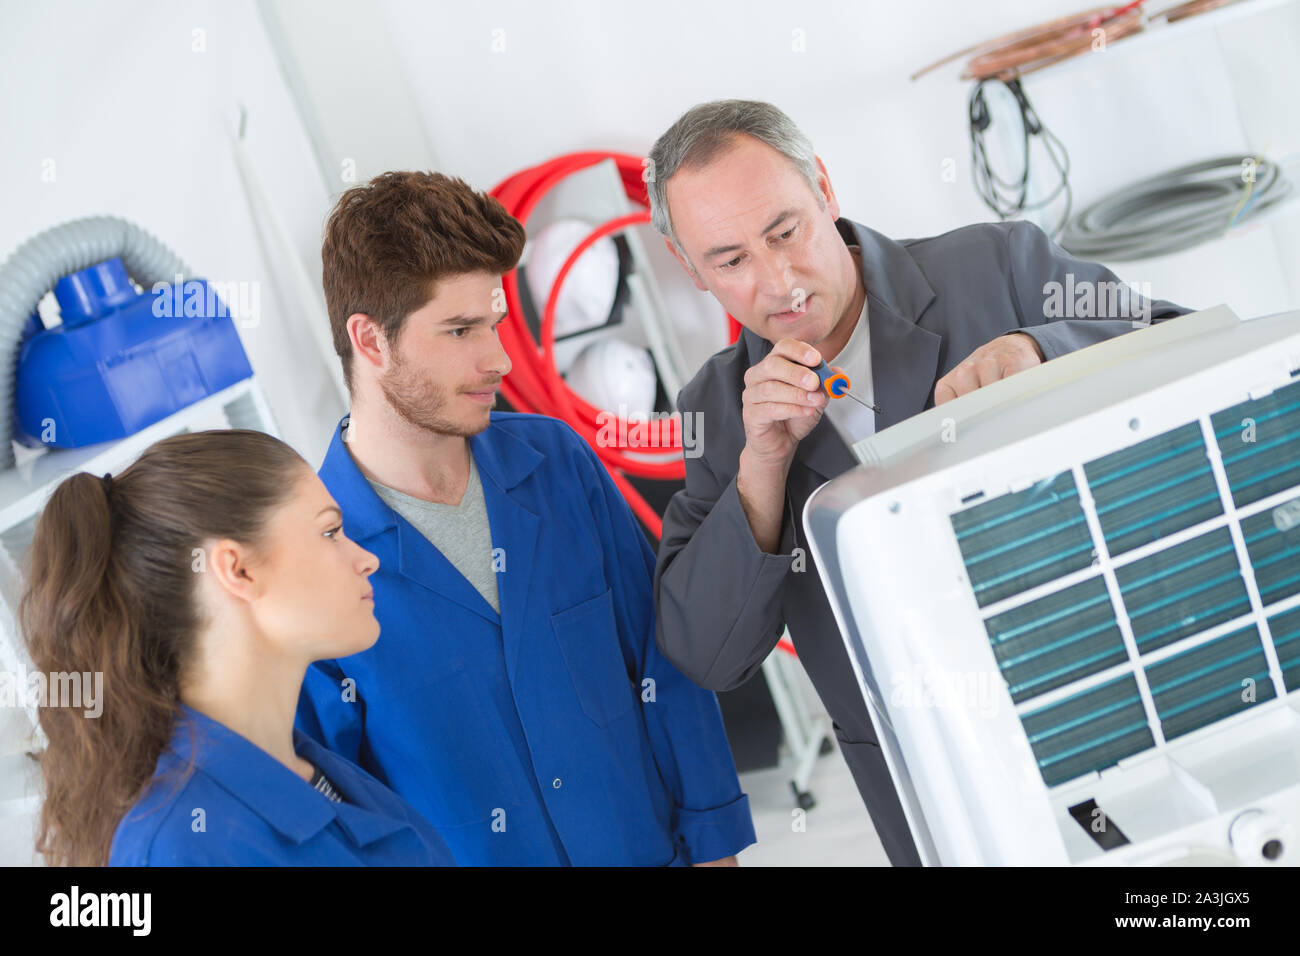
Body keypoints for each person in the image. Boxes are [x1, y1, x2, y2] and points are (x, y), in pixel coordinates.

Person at [647, 99, 1194, 866]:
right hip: (937, 780)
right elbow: (708, 654)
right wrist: (759, 472)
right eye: (731, 261)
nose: (779, 282)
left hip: (1119, 703)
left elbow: (1183, 345)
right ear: (690, 271)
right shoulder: (716, 409)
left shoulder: (999, 267)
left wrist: (1046, 350)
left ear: (825, 189)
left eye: (785, 231)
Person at [296, 170, 756, 866]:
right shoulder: (311, 559)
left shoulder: (557, 463)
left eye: (496, 324)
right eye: (459, 330)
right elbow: (344, 820)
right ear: (370, 341)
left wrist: (717, 848)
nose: (499, 359)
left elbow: (663, 661)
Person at [20, 429, 455, 866]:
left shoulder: (309, 768)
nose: (366, 559)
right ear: (238, 570)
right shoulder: (183, 847)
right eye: (330, 532)